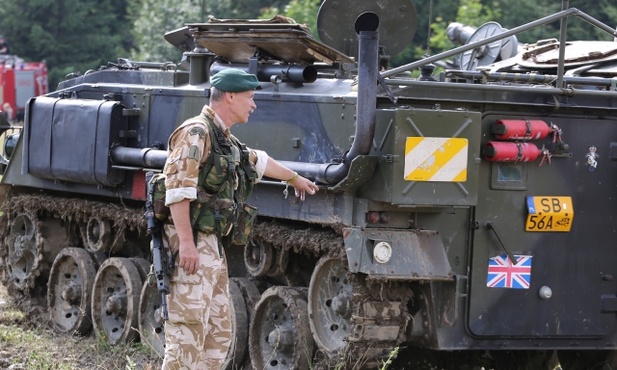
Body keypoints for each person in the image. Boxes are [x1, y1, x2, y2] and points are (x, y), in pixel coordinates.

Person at [161, 68, 319, 369]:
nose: (254, 104)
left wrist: (294, 178)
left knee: (217, 334)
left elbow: (258, 161)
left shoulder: (223, 140)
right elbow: (178, 190)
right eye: (250, 97)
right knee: (186, 336)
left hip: (211, 245)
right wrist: (186, 244)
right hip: (193, 242)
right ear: (230, 96)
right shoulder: (197, 132)